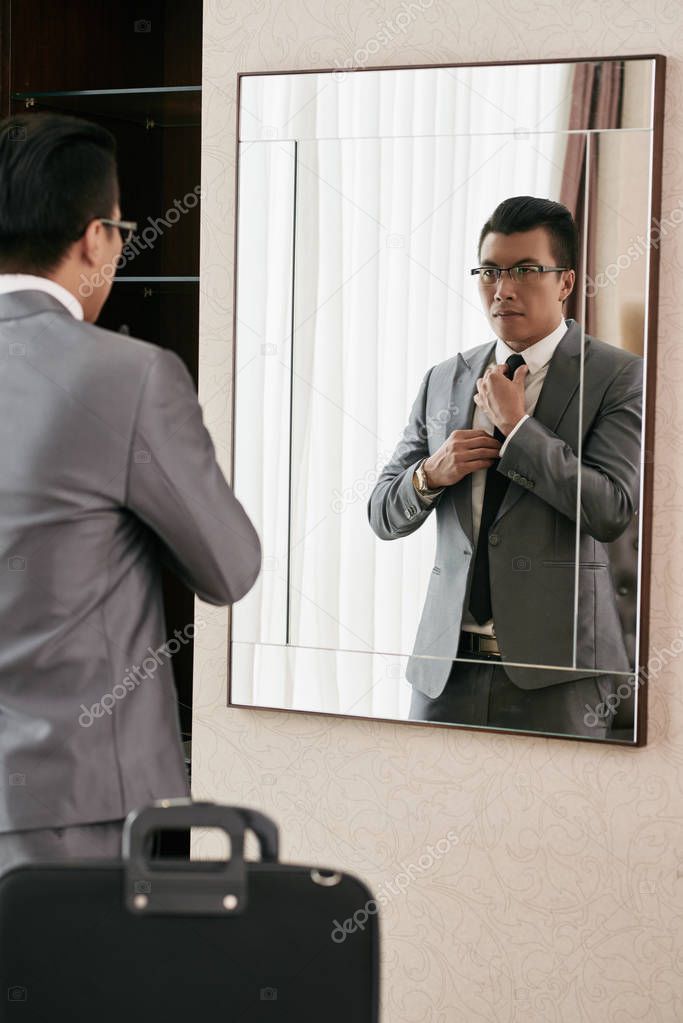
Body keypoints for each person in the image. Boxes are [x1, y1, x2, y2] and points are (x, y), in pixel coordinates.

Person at [0, 113, 261, 874]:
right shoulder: (129, 375)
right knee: (81, 999)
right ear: (95, 238)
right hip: (79, 807)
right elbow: (230, 567)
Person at [368, 196, 642, 740]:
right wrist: (430, 475)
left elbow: (612, 510)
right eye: (490, 271)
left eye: (525, 270)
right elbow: (381, 513)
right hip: (444, 672)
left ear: (565, 282)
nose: (503, 288)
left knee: (551, 824)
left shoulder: (617, 376)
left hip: (561, 677)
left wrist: (520, 433)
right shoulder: (444, 377)